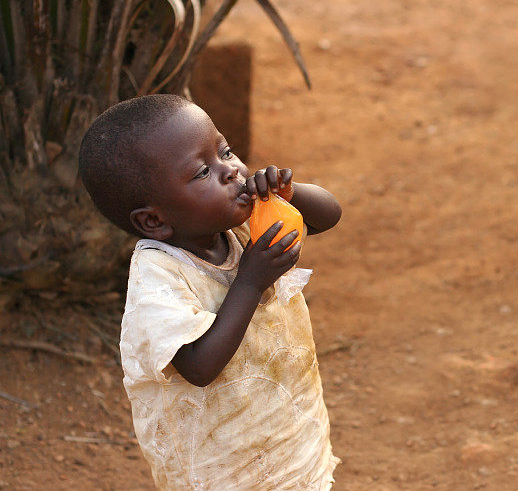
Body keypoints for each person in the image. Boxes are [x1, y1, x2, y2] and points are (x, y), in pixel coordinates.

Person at [78, 94, 342, 489]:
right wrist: (250, 281)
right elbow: (199, 367)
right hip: (221, 468)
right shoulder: (158, 278)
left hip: (288, 439)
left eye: (226, 151)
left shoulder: (234, 220)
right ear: (154, 220)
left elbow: (328, 216)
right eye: (203, 172)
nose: (232, 171)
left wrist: (293, 195)